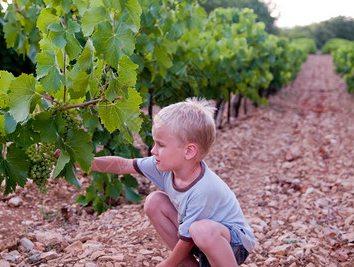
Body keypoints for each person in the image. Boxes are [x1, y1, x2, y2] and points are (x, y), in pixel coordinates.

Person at [88, 98, 255, 266]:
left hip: (234, 244)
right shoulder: (164, 167)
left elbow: (187, 239)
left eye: (160, 144)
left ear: (189, 151)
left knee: (200, 230)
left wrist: (168, 264)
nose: (153, 150)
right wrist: (86, 161)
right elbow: (123, 165)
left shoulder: (204, 188)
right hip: (200, 237)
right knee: (154, 201)